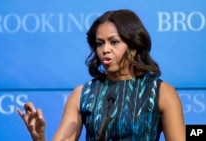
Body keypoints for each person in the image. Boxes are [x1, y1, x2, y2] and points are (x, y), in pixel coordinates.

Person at [17, 9, 185, 141]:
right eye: (99, 43)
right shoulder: (83, 94)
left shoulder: (161, 93)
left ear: (133, 46)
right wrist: (39, 138)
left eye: (114, 42)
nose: (105, 50)